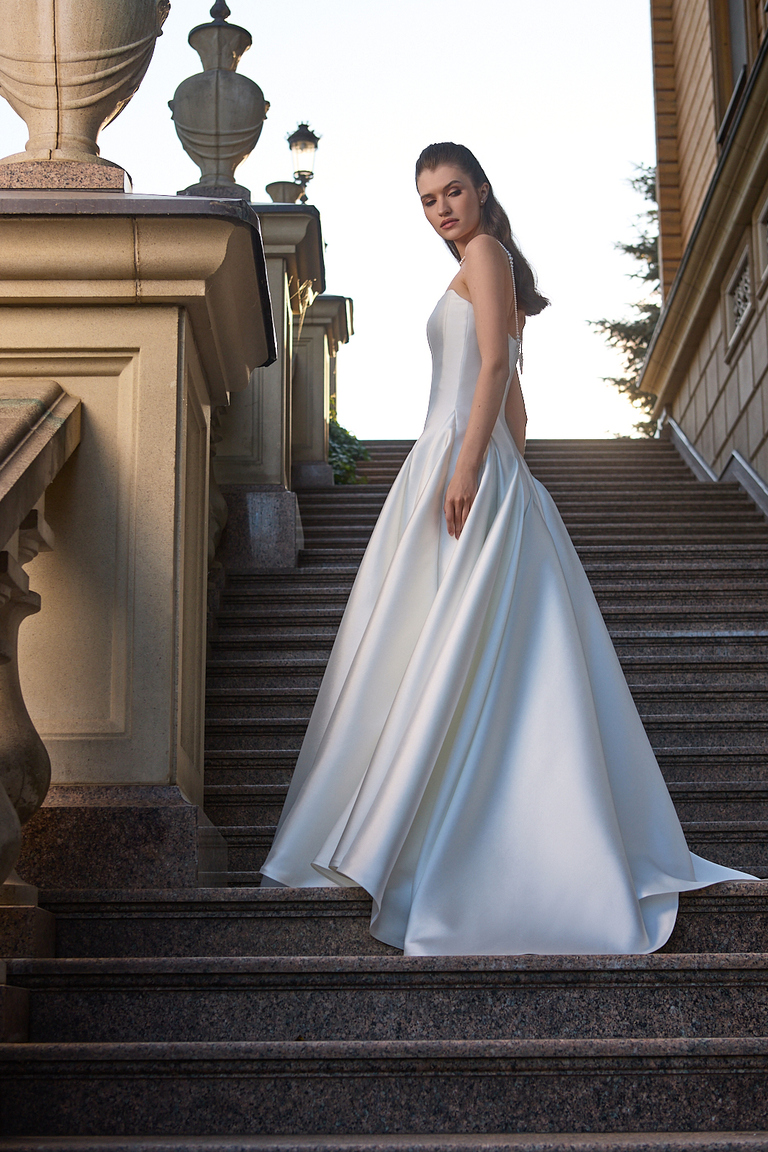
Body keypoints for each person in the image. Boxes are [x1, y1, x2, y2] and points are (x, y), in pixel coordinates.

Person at [260, 141, 754, 955]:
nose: (442, 209)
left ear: (482, 193)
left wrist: (471, 470)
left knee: (443, 639)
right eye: (428, 200)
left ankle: (430, 833)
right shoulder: (487, 262)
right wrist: (511, 474)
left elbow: (494, 367)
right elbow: (517, 389)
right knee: (437, 642)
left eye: (453, 191)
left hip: (460, 459)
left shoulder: (485, 252)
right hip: (470, 461)